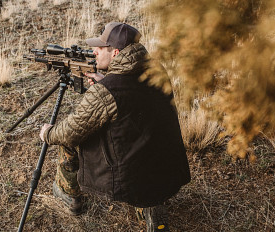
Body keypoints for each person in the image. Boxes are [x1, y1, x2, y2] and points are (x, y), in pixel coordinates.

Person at [39, 22, 191, 231]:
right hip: (167, 164)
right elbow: (136, 100)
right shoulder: (156, 69)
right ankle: (148, 206)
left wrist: (47, 133)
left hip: (127, 176)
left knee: (66, 138)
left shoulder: (106, 91)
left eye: (99, 48)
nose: (93, 52)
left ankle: (69, 195)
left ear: (116, 53)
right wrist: (107, 80)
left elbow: (69, 133)